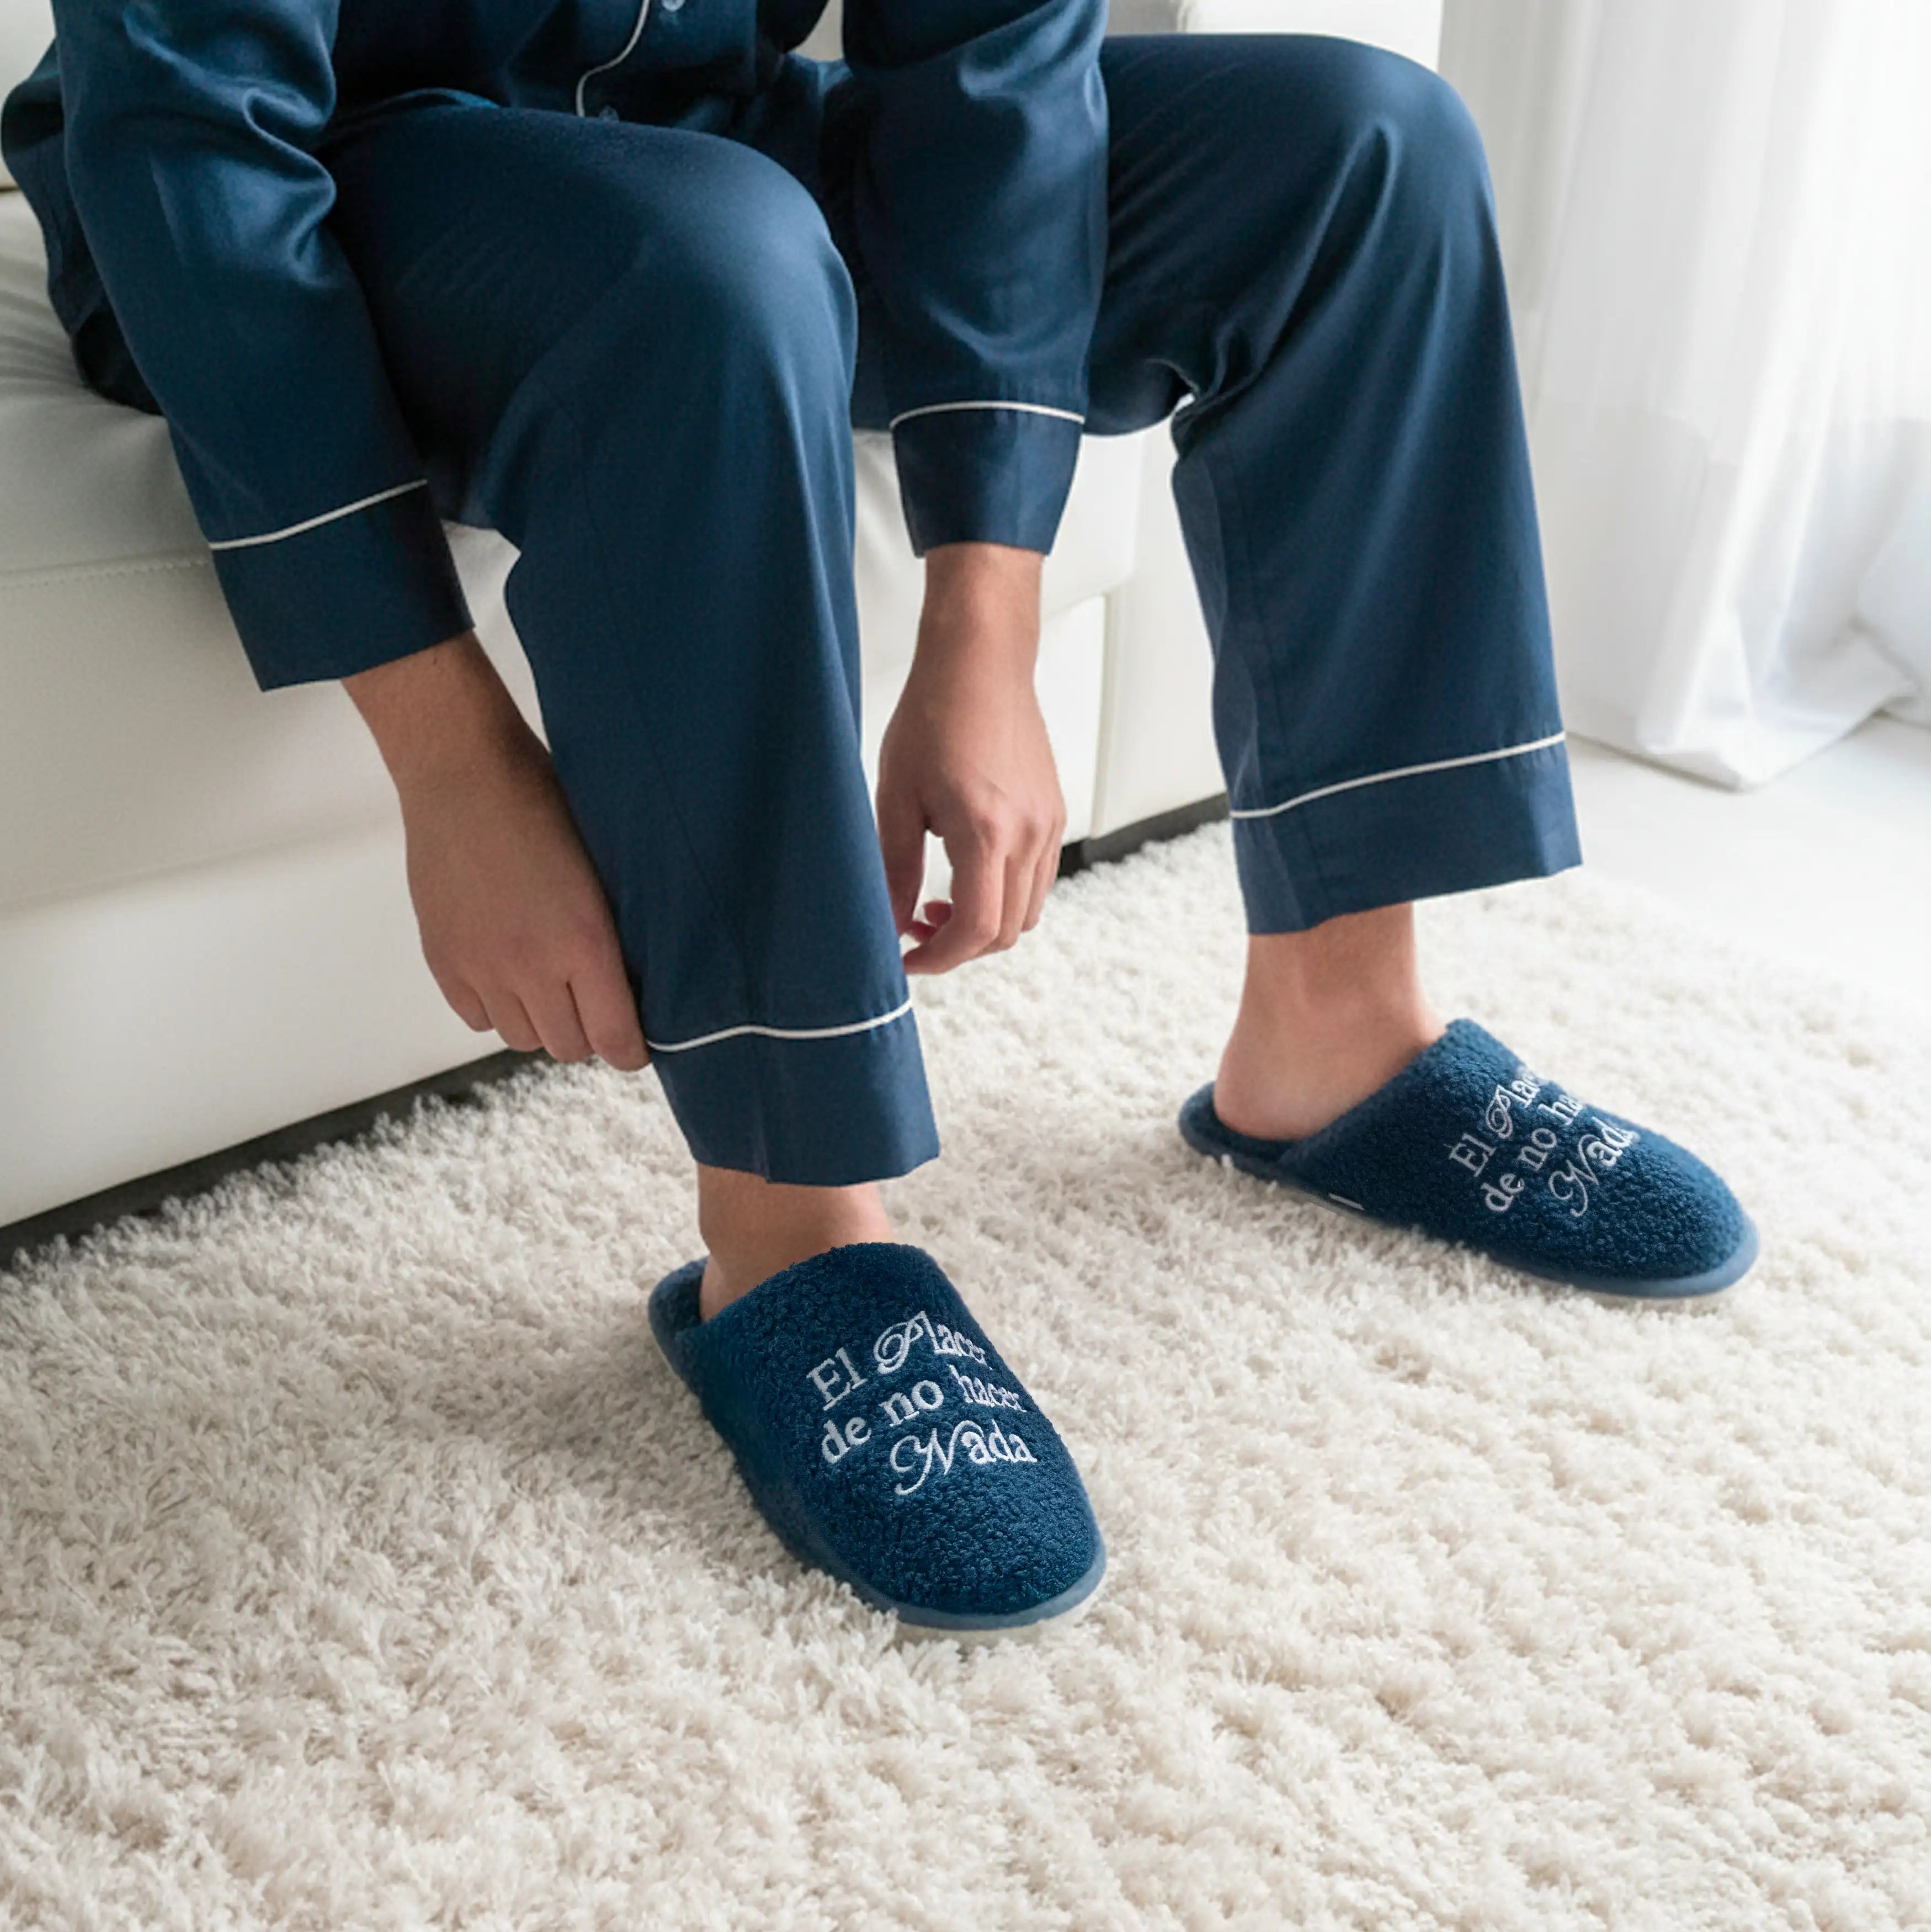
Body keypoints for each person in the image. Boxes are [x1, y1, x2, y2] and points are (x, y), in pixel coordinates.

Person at [3, 0, 1754, 1636]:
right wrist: (453, 768)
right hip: (300, 180)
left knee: (1358, 145)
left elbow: (990, 54)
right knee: (712, 258)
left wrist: (979, 630)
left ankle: (1337, 1030)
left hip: (704, 138)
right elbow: (189, 134)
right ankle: (791, 1228)